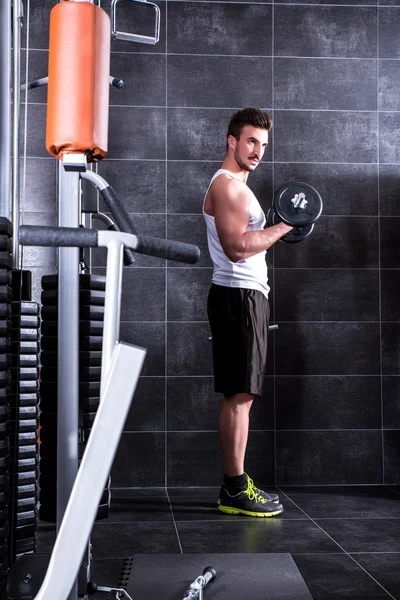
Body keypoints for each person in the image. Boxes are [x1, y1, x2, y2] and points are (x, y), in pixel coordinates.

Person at [203, 107, 293, 517]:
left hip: (246, 297)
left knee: (243, 395)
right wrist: (285, 226)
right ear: (232, 140)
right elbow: (237, 247)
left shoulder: (239, 186)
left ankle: (235, 484)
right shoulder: (228, 188)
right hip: (238, 296)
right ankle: (234, 489)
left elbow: (247, 236)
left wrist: (274, 227)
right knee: (240, 396)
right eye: (251, 141)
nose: (258, 151)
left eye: (263, 144)